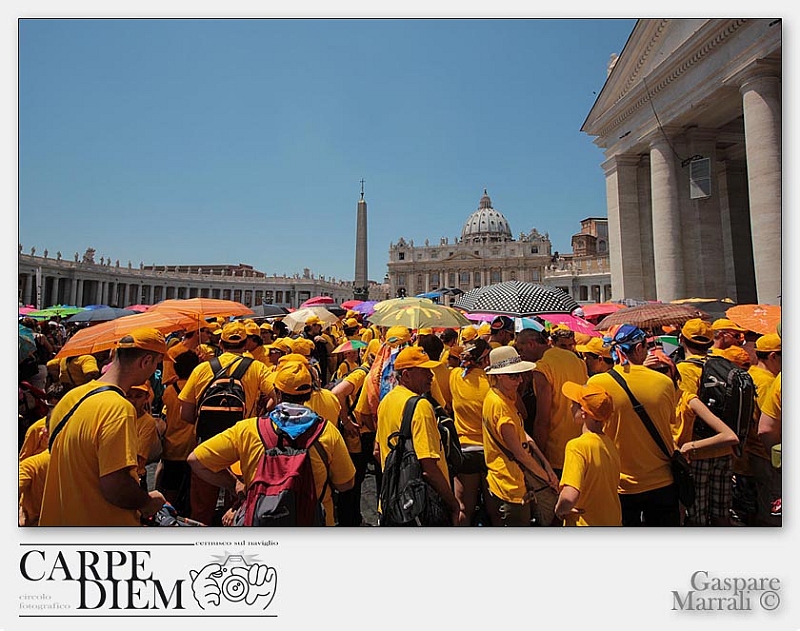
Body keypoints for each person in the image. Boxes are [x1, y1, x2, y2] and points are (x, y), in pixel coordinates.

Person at [187, 359, 355, 526]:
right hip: (313, 522)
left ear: (277, 393)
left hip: (260, 522)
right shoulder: (327, 431)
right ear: (310, 393)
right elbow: (346, 484)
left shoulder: (247, 429)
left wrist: (234, 484)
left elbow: (196, 461)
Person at [38, 327, 168, 526]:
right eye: (157, 364)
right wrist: (148, 502)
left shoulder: (70, 398)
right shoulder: (119, 408)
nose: (155, 371)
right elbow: (116, 486)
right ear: (146, 361)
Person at [179, 321, 272, 526]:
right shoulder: (257, 367)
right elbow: (277, 391)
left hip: (206, 443)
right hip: (241, 445)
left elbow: (184, 413)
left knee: (201, 510)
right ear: (246, 343)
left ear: (220, 343)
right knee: (239, 507)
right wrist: (262, 412)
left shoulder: (202, 369)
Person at [587, 325, 681, 526]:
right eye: (646, 347)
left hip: (618, 482)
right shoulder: (664, 383)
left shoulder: (597, 383)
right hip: (662, 480)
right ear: (638, 348)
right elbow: (670, 421)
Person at [374, 346, 466, 526]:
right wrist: (453, 504)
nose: (431, 375)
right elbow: (428, 468)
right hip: (422, 508)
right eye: (424, 371)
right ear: (406, 375)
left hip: (393, 503)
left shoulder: (386, 401)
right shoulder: (421, 406)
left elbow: (377, 451)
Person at [482, 346, 559, 526]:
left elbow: (522, 434)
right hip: (510, 485)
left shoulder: (500, 395)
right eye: (513, 376)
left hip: (509, 479)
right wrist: (548, 479)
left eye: (521, 374)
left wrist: (545, 464)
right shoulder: (500, 406)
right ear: (499, 376)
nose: (520, 380)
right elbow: (520, 454)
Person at [555, 382, 622, 526]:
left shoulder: (577, 446)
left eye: (574, 403)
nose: (570, 407)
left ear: (584, 413)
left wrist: (559, 510)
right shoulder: (610, 444)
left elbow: (569, 496)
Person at [449, 339, 498, 525]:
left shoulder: (454, 376)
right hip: (489, 450)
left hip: (465, 450)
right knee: (495, 510)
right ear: (485, 359)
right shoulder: (492, 383)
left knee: (463, 508)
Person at [531, 323, 589, 477]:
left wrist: (539, 458)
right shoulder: (580, 363)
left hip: (555, 451)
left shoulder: (542, 367)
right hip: (580, 444)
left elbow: (542, 419)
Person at [155, 350, 200, 515]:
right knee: (192, 489)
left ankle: (166, 515)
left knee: (170, 488)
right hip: (192, 445)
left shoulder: (169, 390)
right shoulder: (197, 389)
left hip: (172, 446)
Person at [745, 333, 782, 526]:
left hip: (750, 451)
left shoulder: (750, 373)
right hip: (768, 454)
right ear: (773, 356)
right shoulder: (769, 382)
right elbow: (768, 426)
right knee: (774, 509)